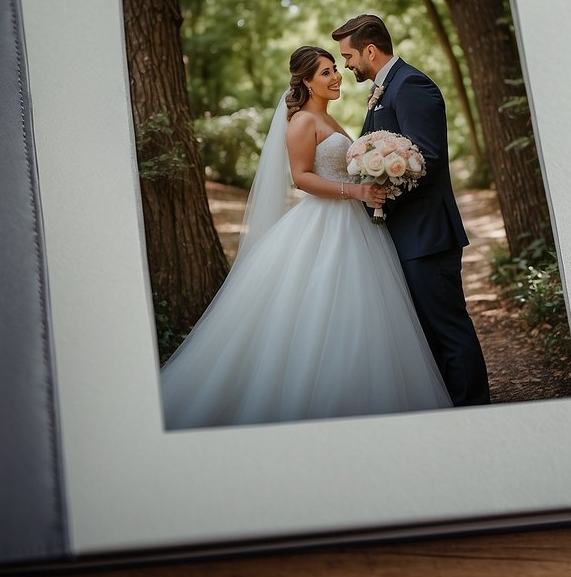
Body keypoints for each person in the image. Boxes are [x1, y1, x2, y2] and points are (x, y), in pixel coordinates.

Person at [158, 46, 452, 429]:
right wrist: (358, 192)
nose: (336, 77)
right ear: (306, 82)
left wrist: (376, 177)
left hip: (357, 225)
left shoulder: (328, 120)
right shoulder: (301, 123)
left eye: (335, 69)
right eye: (326, 72)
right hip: (326, 223)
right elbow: (302, 178)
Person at [333, 14, 490, 406]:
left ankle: (475, 412)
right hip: (406, 234)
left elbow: (428, 157)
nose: (347, 64)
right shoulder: (386, 88)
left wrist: (380, 187)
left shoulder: (412, 85)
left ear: (370, 50)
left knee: (448, 329)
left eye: (348, 56)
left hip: (426, 233)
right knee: (427, 332)